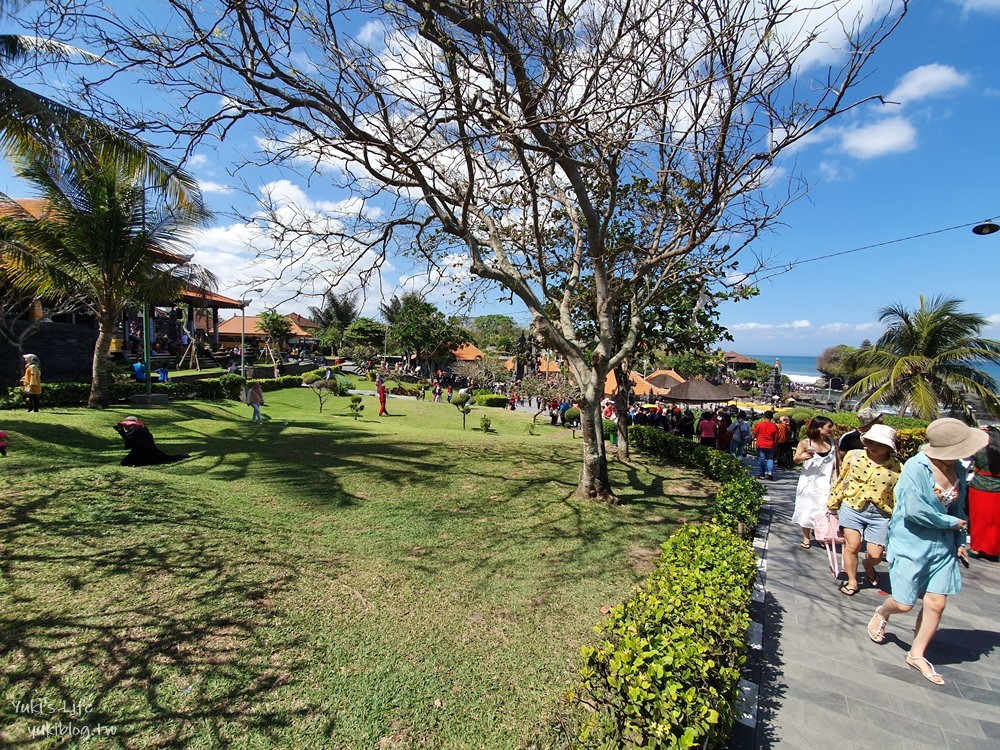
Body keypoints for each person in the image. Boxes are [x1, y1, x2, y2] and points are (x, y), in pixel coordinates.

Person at [866, 418, 988, 686]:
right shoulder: (916, 467)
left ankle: (917, 654)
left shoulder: (956, 467)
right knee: (904, 603)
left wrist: (959, 540)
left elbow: (958, 507)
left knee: (937, 603)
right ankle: (883, 613)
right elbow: (914, 510)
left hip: (943, 544)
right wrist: (951, 523)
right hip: (912, 541)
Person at [827, 424, 901, 596]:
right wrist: (833, 502)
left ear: (889, 448)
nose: (875, 447)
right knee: (852, 545)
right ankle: (852, 582)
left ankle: (868, 565)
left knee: (875, 554)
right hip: (852, 506)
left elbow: (898, 493)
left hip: (881, 513)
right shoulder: (854, 456)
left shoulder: (897, 467)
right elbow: (842, 479)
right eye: (871, 442)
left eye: (881, 444)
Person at [790, 416, 838, 548]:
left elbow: (838, 462)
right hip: (809, 483)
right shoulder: (806, 443)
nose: (830, 429)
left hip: (826, 483)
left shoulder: (833, 443)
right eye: (828, 427)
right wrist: (802, 457)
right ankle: (806, 537)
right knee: (807, 508)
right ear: (818, 427)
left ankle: (821, 535)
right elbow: (795, 459)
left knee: (823, 510)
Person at [968, 425, 1000, 560]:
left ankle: (976, 549)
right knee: (996, 521)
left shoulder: (978, 449)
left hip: (979, 488)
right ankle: (995, 551)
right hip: (998, 490)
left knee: (978, 519)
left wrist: (976, 430)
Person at [114, 416, 190, 466]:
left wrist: (121, 431)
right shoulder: (139, 428)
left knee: (125, 463)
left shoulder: (135, 429)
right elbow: (131, 439)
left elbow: (128, 439)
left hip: (142, 450)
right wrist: (122, 431)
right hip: (147, 449)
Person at [752, 411, 779, 480]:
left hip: (761, 444)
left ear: (764, 417)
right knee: (770, 459)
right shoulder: (775, 426)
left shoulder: (759, 424)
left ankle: (762, 474)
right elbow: (776, 438)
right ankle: (770, 472)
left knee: (762, 459)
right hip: (770, 445)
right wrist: (775, 445)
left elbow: (754, 434)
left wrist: (750, 440)